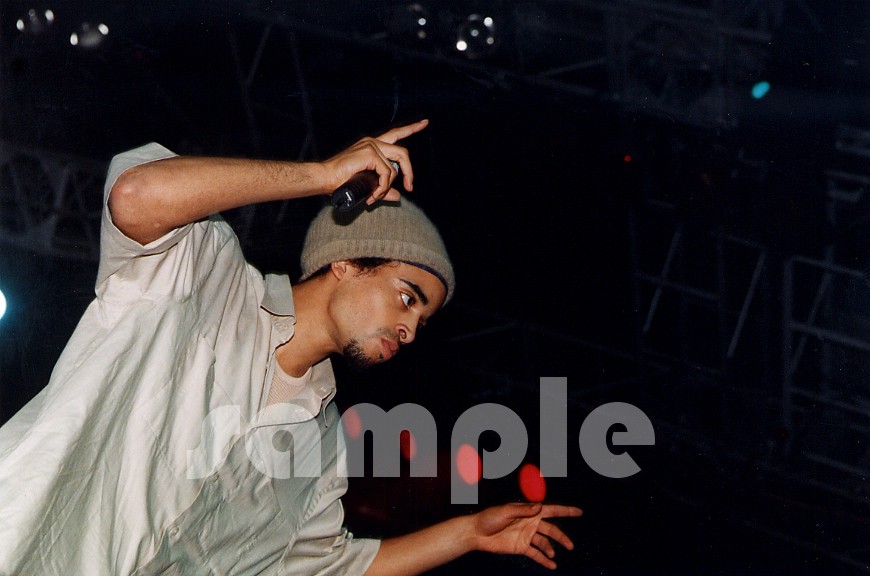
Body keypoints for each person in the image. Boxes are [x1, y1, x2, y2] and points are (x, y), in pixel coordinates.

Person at [0, 119, 581, 575]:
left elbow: (331, 566)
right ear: (346, 261)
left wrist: (468, 534)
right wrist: (322, 176)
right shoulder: (204, 273)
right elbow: (135, 194)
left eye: (422, 322)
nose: (409, 329)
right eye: (407, 298)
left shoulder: (321, 453)